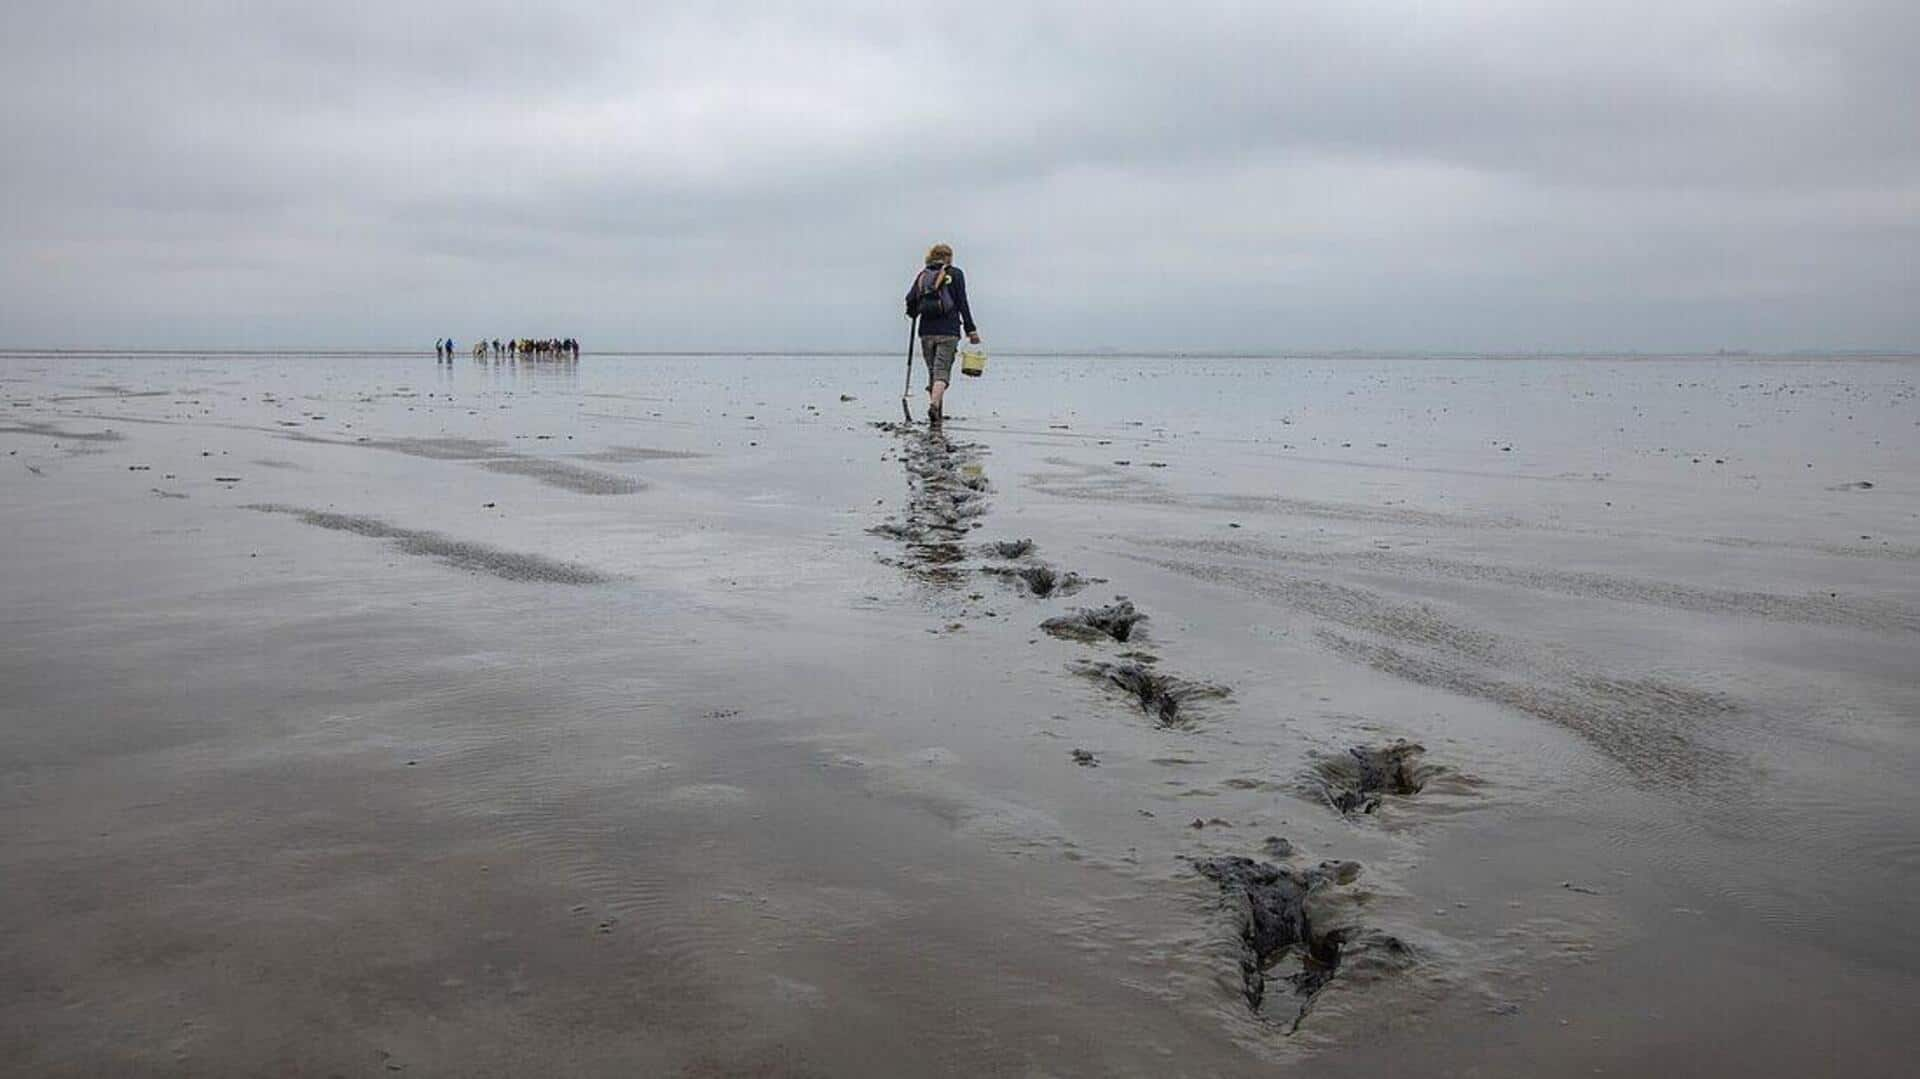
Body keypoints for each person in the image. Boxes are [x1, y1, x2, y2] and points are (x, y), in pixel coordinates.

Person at [903, 243, 979, 424]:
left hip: (926, 332)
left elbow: (910, 301)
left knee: (933, 372)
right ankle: (935, 406)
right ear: (949, 257)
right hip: (948, 331)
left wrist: (914, 312)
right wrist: (971, 329)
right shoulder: (955, 274)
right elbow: (962, 302)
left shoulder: (923, 276)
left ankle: (936, 414)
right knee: (942, 372)